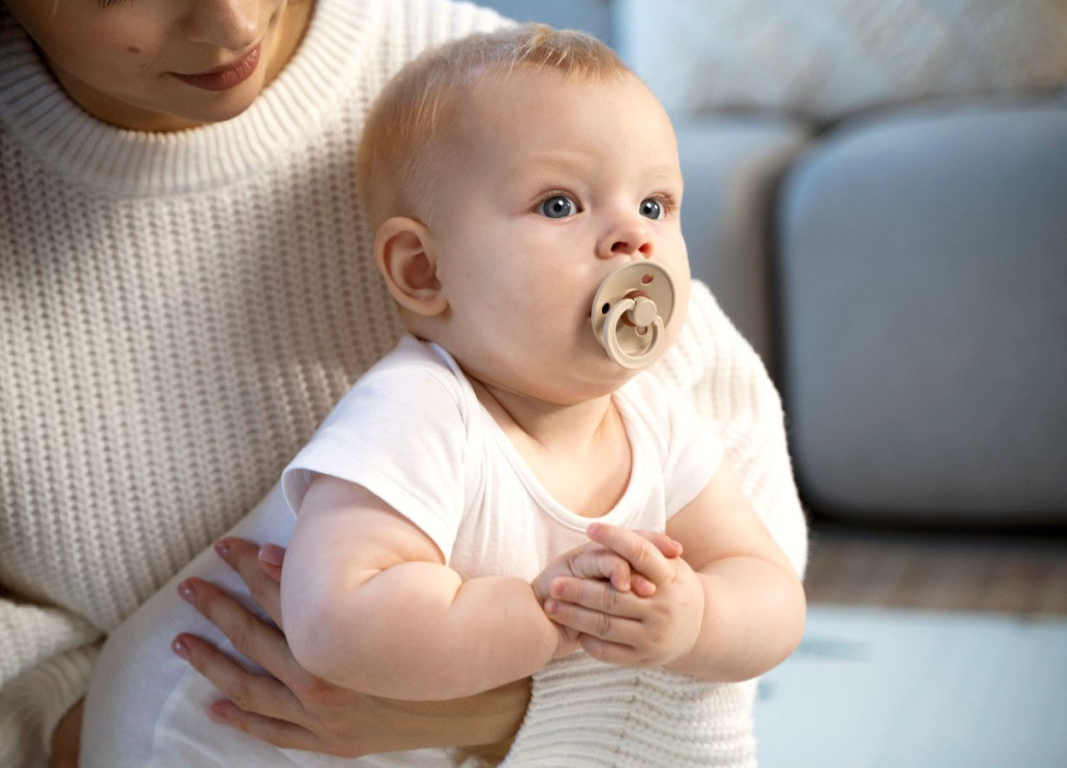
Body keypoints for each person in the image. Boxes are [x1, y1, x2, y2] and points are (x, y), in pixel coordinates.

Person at [0, 2, 808, 768]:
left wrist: (499, 710)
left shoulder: (501, 97)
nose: (230, 21)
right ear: (416, 270)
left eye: (656, 206)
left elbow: (748, 613)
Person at [77, 25, 806, 768]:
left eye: (656, 204)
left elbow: (769, 587)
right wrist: (542, 615)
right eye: (559, 205)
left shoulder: (656, 422)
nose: (631, 239)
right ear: (424, 272)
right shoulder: (417, 412)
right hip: (198, 741)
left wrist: (695, 620)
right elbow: (335, 621)